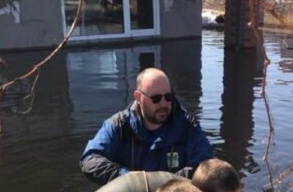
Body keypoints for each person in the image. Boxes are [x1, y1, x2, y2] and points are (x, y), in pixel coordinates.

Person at [80, 68, 213, 185]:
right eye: (156, 99)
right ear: (139, 97)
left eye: (168, 97)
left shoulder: (187, 126)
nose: (163, 104)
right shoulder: (119, 125)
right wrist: (130, 178)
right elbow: (90, 160)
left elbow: (204, 162)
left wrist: (165, 185)